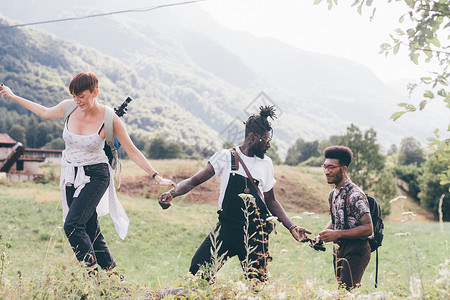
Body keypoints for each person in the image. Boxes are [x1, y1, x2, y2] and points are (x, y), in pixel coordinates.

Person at [0, 73, 174, 279]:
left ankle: (93, 281)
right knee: (91, 229)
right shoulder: (69, 107)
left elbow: (133, 150)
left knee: (72, 226)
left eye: (81, 96)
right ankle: (116, 281)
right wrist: (13, 96)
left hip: (96, 175)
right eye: (74, 96)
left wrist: (156, 176)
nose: (77, 101)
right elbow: (44, 112)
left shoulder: (110, 118)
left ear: (95, 92)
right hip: (71, 175)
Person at [158, 106, 311, 282]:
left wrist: (292, 227)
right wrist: (172, 192)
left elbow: (271, 201)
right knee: (198, 272)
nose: (268, 144)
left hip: (256, 232)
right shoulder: (226, 157)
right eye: (266, 140)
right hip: (227, 228)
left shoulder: (266, 163)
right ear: (253, 137)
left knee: (257, 284)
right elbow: (193, 181)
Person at [316, 146, 373, 290]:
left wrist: (337, 233)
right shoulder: (333, 194)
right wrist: (321, 235)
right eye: (325, 167)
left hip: (356, 250)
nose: (327, 171)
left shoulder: (355, 195)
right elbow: (336, 219)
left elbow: (368, 228)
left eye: (331, 167)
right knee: (343, 292)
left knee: (346, 293)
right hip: (339, 249)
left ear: (343, 169)